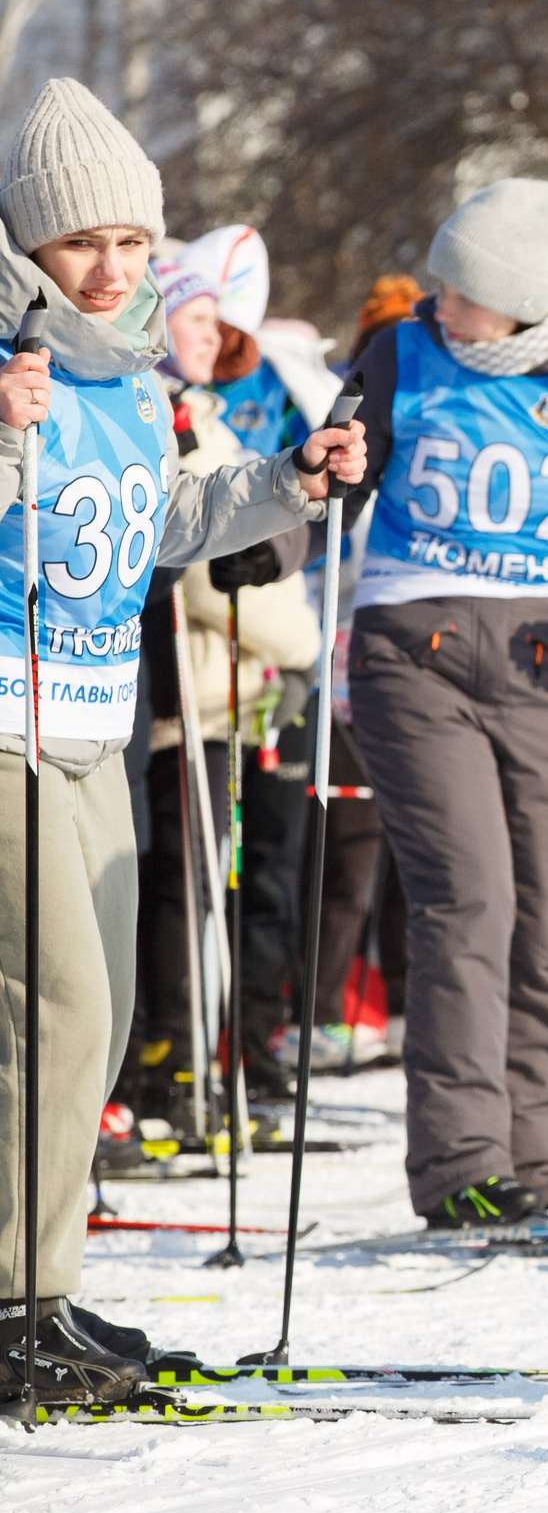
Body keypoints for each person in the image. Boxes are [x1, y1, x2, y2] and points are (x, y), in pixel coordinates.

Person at [0, 79, 366, 1399]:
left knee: (88, 1030)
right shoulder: (12, 361)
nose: (109, 268)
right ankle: (11, 1301)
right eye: (80, 242)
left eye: (130, 242)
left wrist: (287, 481)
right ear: (27, 243)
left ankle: (41, 1288)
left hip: (95, 726)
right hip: (6, 725)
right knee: (59, 1011)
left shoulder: (128, 369)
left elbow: (161, 516)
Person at [271, 178, 548, 1229]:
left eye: (461, 290)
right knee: (471, 903)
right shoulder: (401, 356)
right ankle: (463, 1162)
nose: (440, 303)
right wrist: (268, 546)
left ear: (515, 297)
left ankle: (538, 1164)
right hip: (412, 659)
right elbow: (332, 479)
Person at [119, 260, 324, 1125]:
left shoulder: (207, 418)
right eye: (193, 315)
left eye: (214, 319)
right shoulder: (156, 414)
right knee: (179, 886)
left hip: (242, 697)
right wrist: (299, 636)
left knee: (236, 886)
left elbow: (267, 532)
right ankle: (164, 1056)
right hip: (188, 697)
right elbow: (204, 575)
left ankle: (224, 1049)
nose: (210, 331)